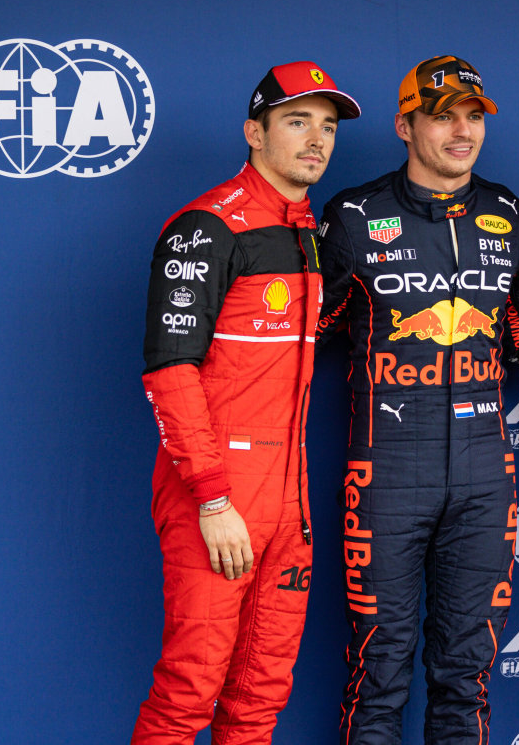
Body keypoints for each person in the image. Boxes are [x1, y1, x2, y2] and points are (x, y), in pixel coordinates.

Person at [316, 55, 519, 745]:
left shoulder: (505, 211)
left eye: (473, 117)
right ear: (405, 126)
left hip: (486, 472)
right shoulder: (355, 216)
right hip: (388, 469)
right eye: (443, 116)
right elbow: (296, 338)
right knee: (378, 671)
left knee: (467, 674)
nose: (463, 131)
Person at [131, 61, 359, 745]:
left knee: (260, 695)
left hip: (290, 498)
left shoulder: (309, 235)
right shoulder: (205, 227)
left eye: (327, 127)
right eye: (297, 122)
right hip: (218, 492)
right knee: (188, 691)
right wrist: (211, 498)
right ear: (254, 132)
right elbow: (170, 371)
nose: (316, 140)